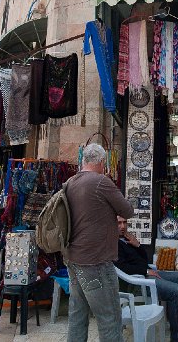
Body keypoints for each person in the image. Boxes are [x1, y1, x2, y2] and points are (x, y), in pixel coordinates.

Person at [64, 143, 134, 342]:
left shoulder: (70, 181)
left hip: (74, 259)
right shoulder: (101, 182)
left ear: (83, 159)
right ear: (102, 162)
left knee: (77, 315)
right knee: (109, 317)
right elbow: (127, 211)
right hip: (96, 260)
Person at [115, 217, 178, 341]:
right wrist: (145, 271)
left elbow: (144, 260)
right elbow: (123, 268)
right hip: (137, 282)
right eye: (119, 223)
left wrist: (138, 245)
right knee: (176, 291)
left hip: (148, 273)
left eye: (125, 222)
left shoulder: (127, 239)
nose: (123, 226)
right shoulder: (112, 243)